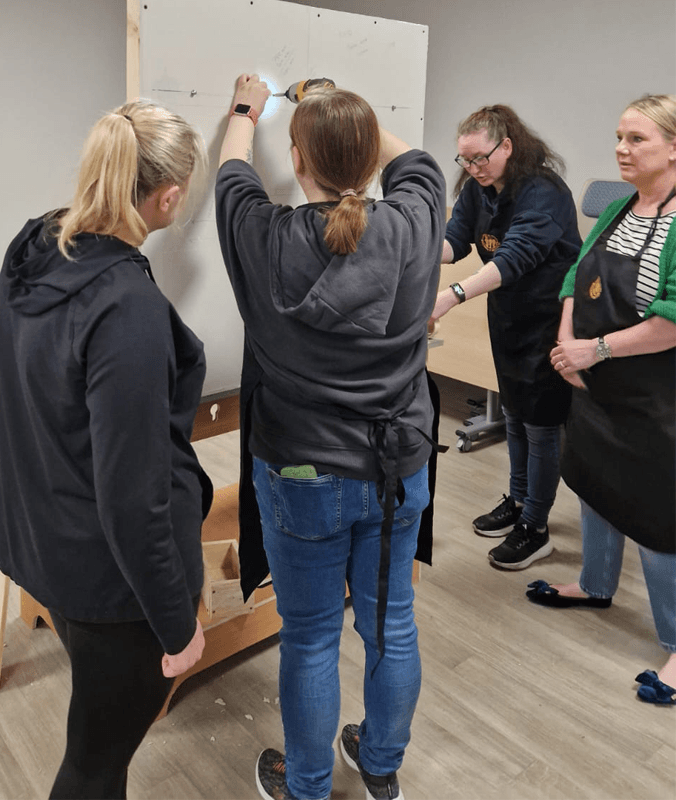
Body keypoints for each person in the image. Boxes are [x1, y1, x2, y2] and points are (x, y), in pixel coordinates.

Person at [215, 74, 446, 800]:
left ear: (296, 159)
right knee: (392, 625)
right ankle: (379, 767)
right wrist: (337, 103)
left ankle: (309, 787)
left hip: (303, 475)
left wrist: (247, 107)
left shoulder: (265, 237)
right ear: (370, 159)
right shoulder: (414, 221)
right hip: (397, 466)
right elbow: (415, 162)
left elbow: (231, 169)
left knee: (311, 637)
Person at [0, 101, 212, 798]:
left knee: (95, 746)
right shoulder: (124, 307)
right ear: (168, 197)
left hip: (45, 539)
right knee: (94, 763)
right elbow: (133, 499)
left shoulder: (33, 245)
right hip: (113, 583)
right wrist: (178, 626)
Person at [527, 94, 676, 705]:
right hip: (594, 386)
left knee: (659, 517)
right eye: (619, 136)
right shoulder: (617, 208)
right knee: (594, 483)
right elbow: (575, 277)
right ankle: (595, 584)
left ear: (674, 147)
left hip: (653, 396)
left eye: (637, 139)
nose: (620, 149)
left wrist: (596, 350)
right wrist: (567, 344)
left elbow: (671, 318)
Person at [431, 105, 582, 570]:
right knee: (513, 413)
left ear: (508, 146)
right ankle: (518, 502)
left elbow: (514, 257)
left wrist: (453, 295)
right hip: (508, 318)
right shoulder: (477, 189)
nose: (473, 168)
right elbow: (456, 241)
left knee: (540, 424)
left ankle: (536, 527)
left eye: (481, 158)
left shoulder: (544, 192)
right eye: (465, 160)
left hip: (548, 321)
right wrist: (409, 249)